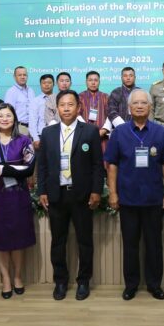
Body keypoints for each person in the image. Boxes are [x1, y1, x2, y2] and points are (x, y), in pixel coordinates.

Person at [105, 89, 164, 301]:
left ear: (150, 107)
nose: (139, 106)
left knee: (154, 245)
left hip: (154, 199)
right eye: (135, 103)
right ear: (128, 108)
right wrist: (113, 194)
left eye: (143, 103)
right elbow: (112, 166)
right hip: (127, 199)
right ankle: (131, 285)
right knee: (130, 244)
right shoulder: (120, 132)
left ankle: (155, 285)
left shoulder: (159, 132)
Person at [36, 90, 104, 301]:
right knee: (58, 241)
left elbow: (96, 166)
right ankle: (61, 281)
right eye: (62, 105)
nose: (66, 108)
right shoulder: (48, 133)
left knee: (84, 241)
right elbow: (43, 166)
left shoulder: (90, 131)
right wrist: (42, 191)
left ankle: (83, 281)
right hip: (57, 195)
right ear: (57, 108)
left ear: (79, 107)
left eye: (70, 104)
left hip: (82, 195)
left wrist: (95, 191)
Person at [0, 103, 36, 299]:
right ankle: (5, 279)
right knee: (0, 241)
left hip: (18, 196)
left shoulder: (24, 140)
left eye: (8, 115)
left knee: (18, 240)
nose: (4, 119)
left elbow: (29, 167)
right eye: (0, 115)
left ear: (14, 118)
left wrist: (6, 170)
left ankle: (18, 276)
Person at [79, 70, 109, 144]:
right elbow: (76, 115)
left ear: (99, 82)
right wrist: (85, 129)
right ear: (86, 82)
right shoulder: (80, 97)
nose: (93, 83)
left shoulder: (105, 96)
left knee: (103, 153)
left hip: (102, 135)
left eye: (96, 80)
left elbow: (110, 115)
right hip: (84, 134)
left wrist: (104, 130)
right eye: (90, 80)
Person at [2, 66, 34, 136]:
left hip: (32, 128)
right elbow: (8, 112)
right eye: (20, 75)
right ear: (14, 77)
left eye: (24, 75)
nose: (22, 77)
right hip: (19, 127)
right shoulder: (11, 92)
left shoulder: (31, 90)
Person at [29, 73, 54, 149]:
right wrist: (36, 138)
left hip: (56, 133)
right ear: (40, 84)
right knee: (41, 160)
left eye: (49, 83)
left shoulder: (58, 99)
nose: (46, 85)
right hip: (41, 135)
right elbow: (32, 120)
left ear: (54, 84)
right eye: (44, 83)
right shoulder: (35, 101)